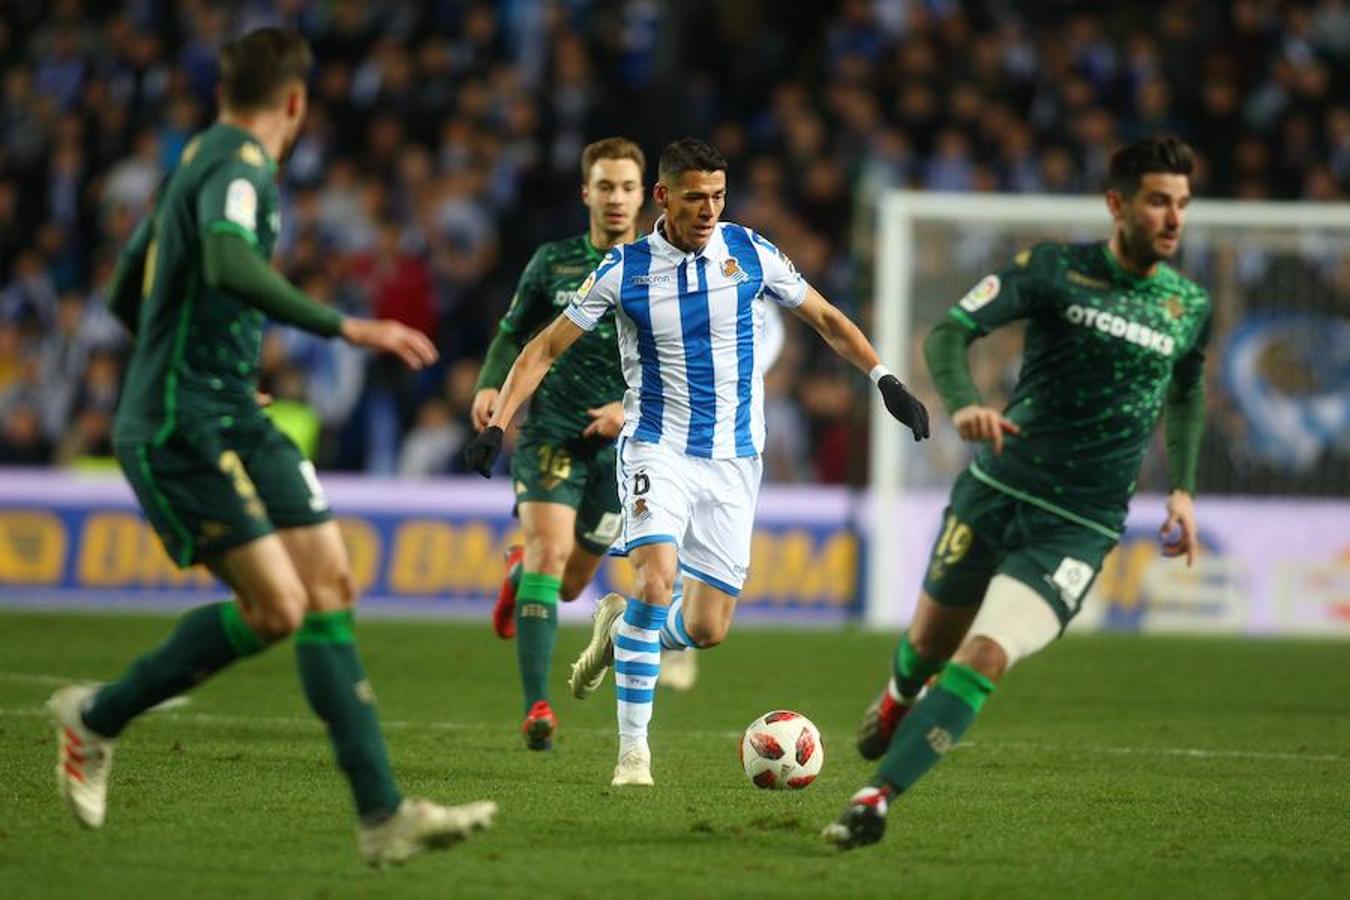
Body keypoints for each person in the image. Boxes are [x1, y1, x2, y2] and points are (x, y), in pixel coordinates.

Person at [46, 28, 495, 866]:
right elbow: (223, 261)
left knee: (328, 585)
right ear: (294, 102)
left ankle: (382, 817)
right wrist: (344, 324)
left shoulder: (191, 164)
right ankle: (97, 717)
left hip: (224, 405)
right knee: (280, 608)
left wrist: (194, 358)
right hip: (183, 425)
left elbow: (119, 290)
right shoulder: (241, 168)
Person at [463, 138, 929, 786]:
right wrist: (497, 424)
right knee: (655, 581)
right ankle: (633, 755)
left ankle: (622, 629)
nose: (709, 209)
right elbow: (543, 348)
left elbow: (824, 316)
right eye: (694, 197)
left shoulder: (749, 251)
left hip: (735, 460)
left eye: (717, 196)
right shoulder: (622, 270)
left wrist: (885, 379)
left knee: (706, 629)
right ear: (663, 197)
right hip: (656, 444)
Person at [823, 136, 1210, 850]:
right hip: (998, 489)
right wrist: (965, 401)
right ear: (1117, 204)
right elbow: (950, 331)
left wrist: (1182, 490)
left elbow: (1188, 392)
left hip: (1080, 524)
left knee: (986, 655)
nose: (1174, 218)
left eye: (1182, 204)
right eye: (1159, 200)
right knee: (927, 647)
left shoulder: (1187, 305)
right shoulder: (1052, 269)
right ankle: (899, 695)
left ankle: (875, 799)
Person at [469, 137, 645, 750]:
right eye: (605, 186)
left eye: (627, 187)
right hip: (550, 433)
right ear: (586, 193)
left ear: (644, 195)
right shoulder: (553, 262)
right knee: (549, 553)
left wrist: (631, 408)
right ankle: (536, 706)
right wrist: (492, 385)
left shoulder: (661, 271)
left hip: (622, 450)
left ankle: (518, 573)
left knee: (569, 585)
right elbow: (515, 333)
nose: (616, 198)